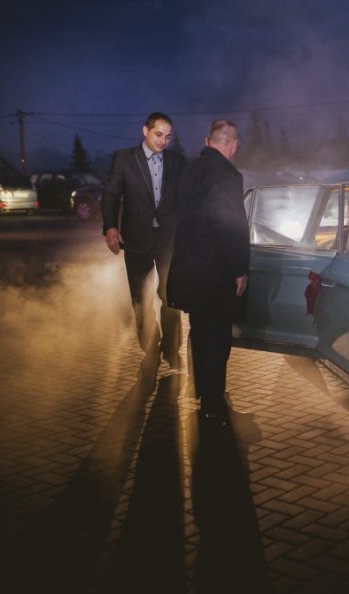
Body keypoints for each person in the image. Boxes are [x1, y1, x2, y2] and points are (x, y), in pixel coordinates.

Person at [167, 119, 249, 425]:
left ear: (207, 141)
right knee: (217, 338)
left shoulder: (189, 171)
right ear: (233, 145)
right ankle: (213, 406)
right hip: (215, 273)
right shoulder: (227, 175)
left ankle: (199, 389)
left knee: (199, 332)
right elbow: (228, 225)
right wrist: (239, 268)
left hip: (188, 269)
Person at [101, 112, 187, 370]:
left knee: (171, 296)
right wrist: (110, 226)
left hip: (169, 239)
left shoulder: (177, 162)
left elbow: (187, 198)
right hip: (137, 238)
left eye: (168, 136)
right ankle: (150, 349)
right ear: (145, 131)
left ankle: (171, 350)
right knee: (141, 298)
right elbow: (110, 194)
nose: (163, 141)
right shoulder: (124, 159)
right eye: (158, 134)